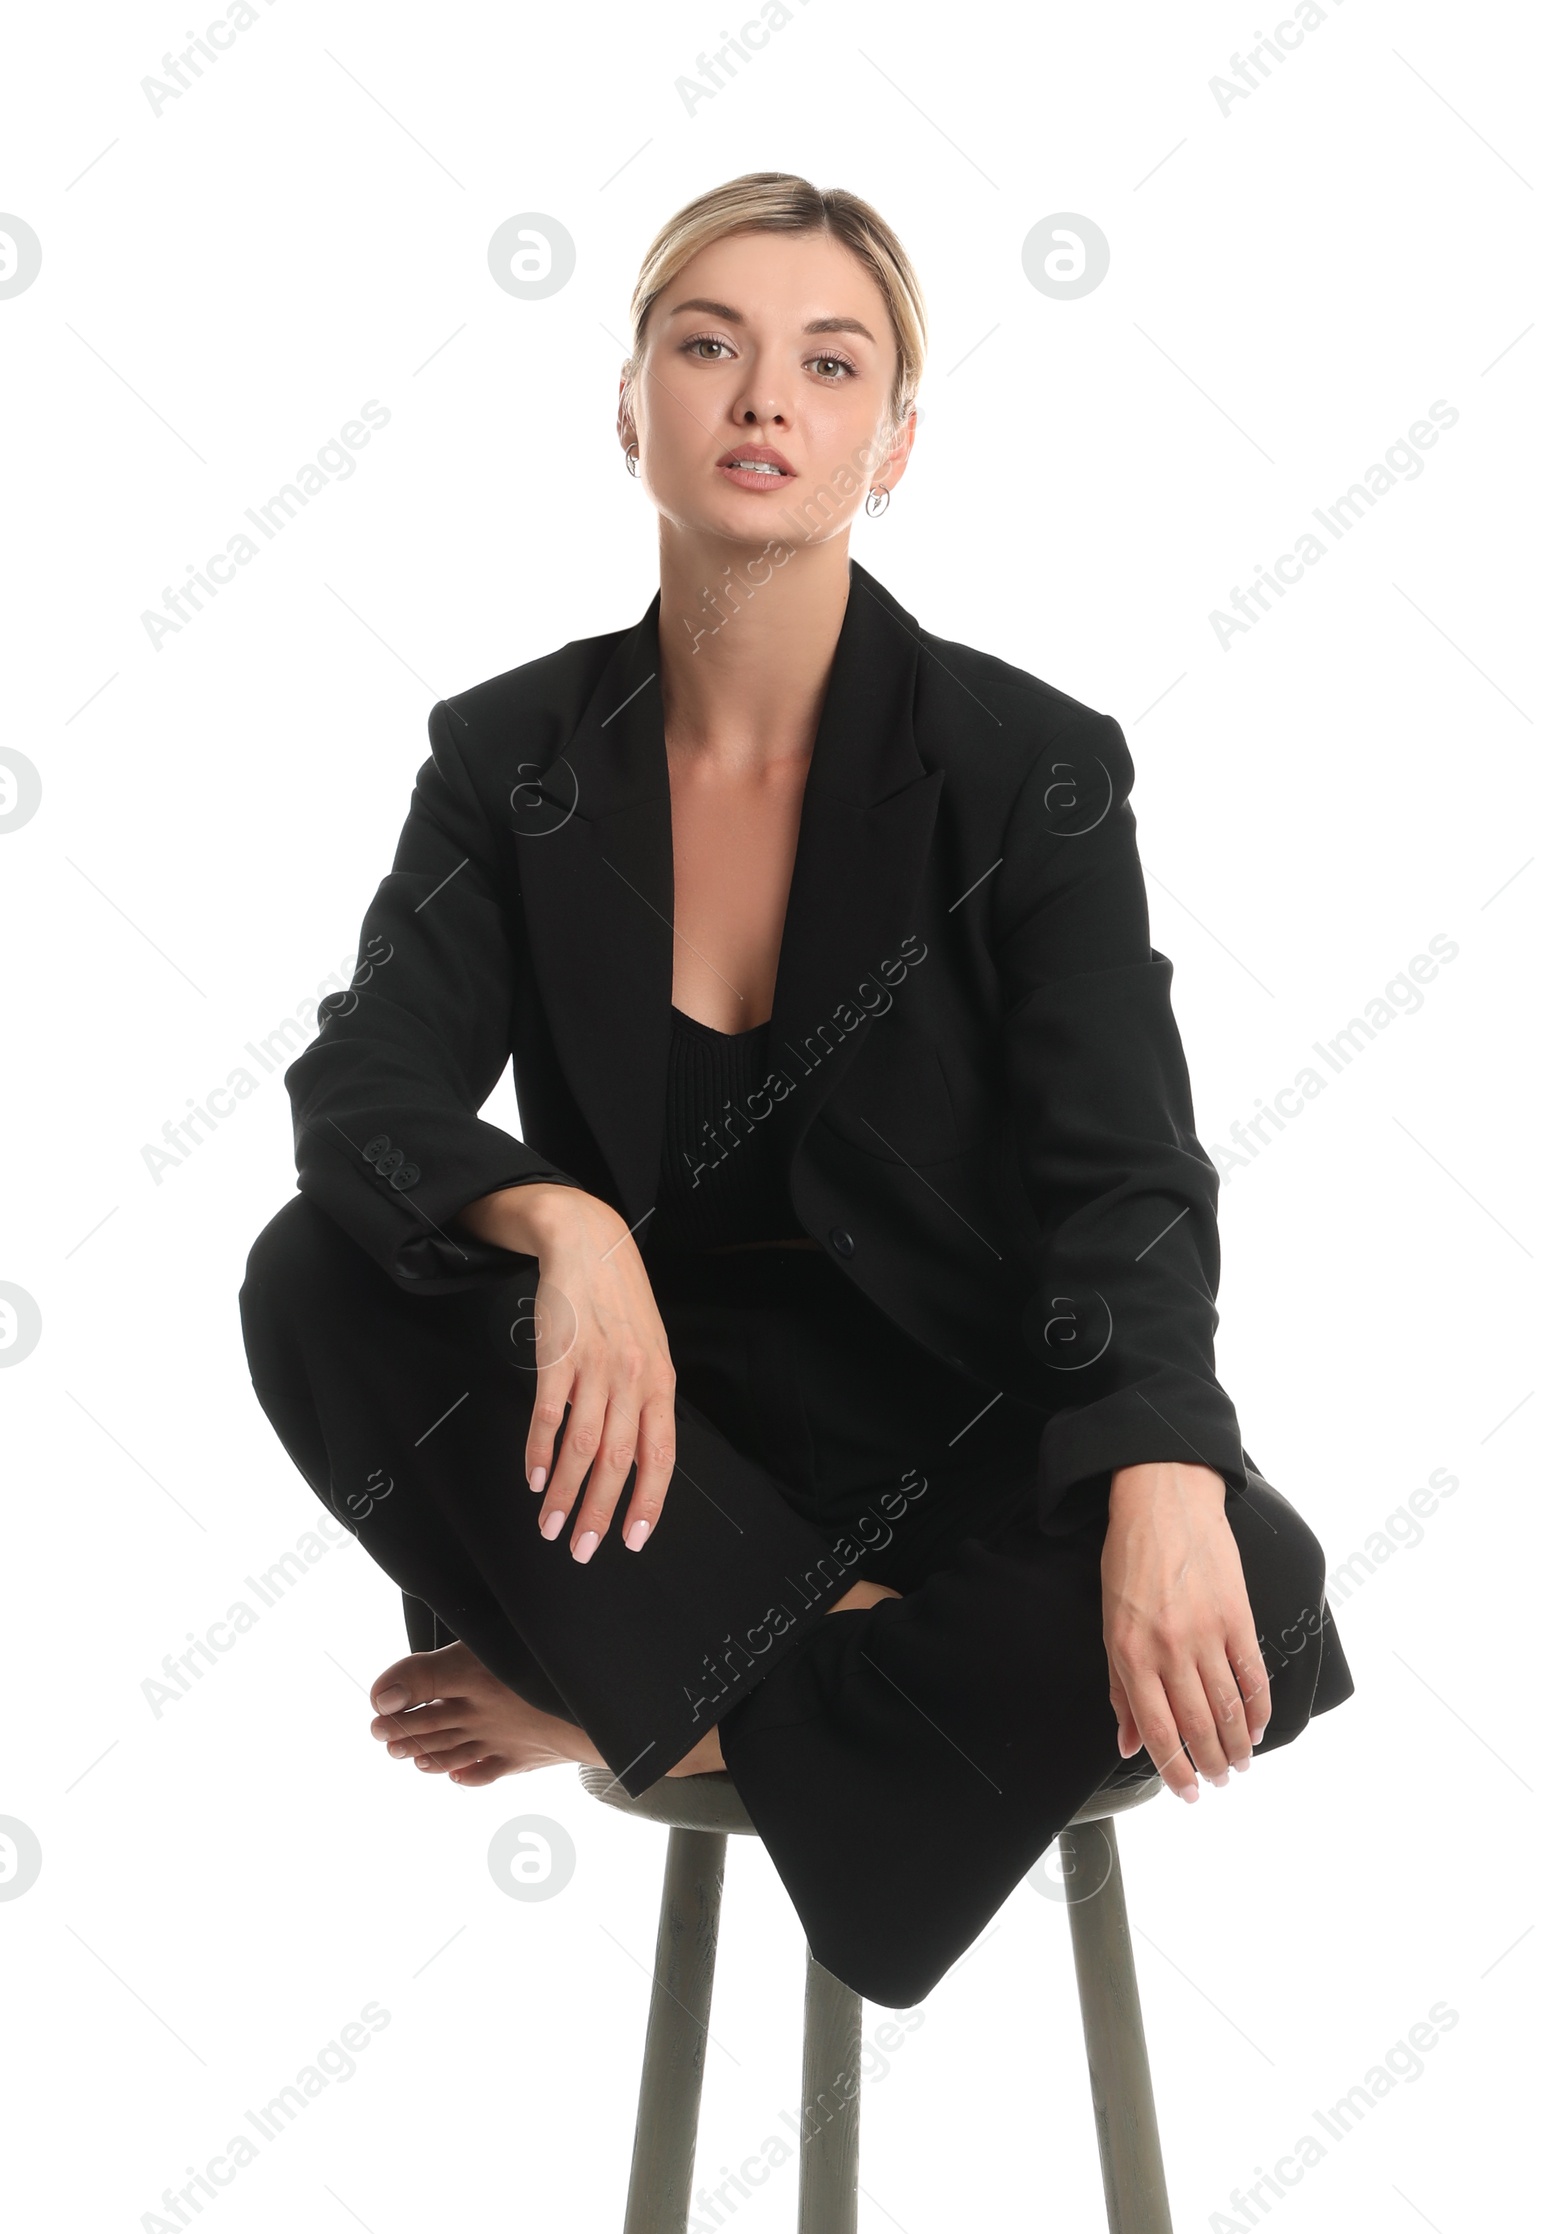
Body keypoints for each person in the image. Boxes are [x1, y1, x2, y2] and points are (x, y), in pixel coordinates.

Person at [239, 170, 1353, 2008]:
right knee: (315, 1269)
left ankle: (664, 1707)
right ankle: (790, 1696)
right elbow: (367, 1081)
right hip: (662, 1469)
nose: (766, 399)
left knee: (1263, 1582)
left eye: (830, 365)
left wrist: (1159, 1478)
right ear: (630, 407)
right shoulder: (509, 754)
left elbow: (1124, 1170)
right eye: (710, 346)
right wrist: (562, 1216)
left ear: (894, 441)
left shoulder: (1030, 769)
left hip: (957, 1454)